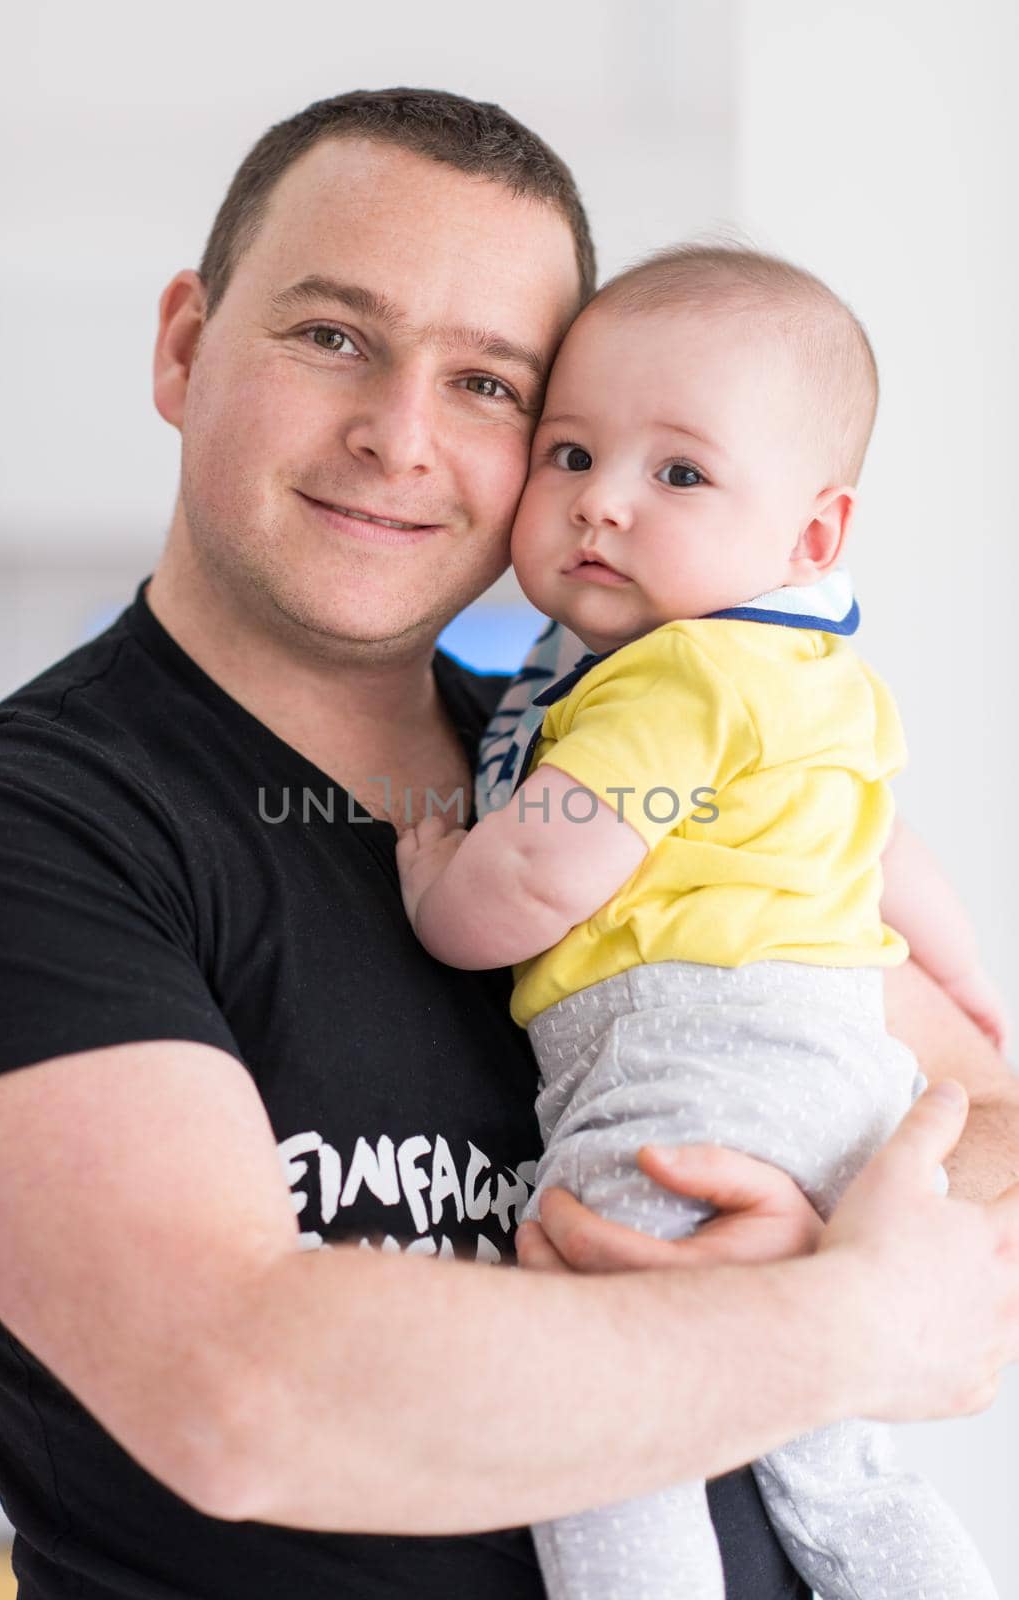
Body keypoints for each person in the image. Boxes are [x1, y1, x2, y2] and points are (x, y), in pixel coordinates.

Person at [0, 87, 1017, 1600]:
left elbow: (978, 1104)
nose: (400, 438)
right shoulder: (22, 832)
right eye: (334, 338)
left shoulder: (611, 749)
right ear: (185, 346)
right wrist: (842, 1326)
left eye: (491, 387)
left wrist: (844, 1226)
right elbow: (244, 1396)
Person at [396, 243, 1004, 1599]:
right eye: (569, 456)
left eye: (677, 474)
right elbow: (888, 860)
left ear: (812, 535)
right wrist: (964, 993)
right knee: (829, 1462)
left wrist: (442, 885)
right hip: (845, 1077)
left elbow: (544, 877)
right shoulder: (818, 677)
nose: (602, 505)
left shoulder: (669, 680)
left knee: (609, 1415)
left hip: (686, 1075)